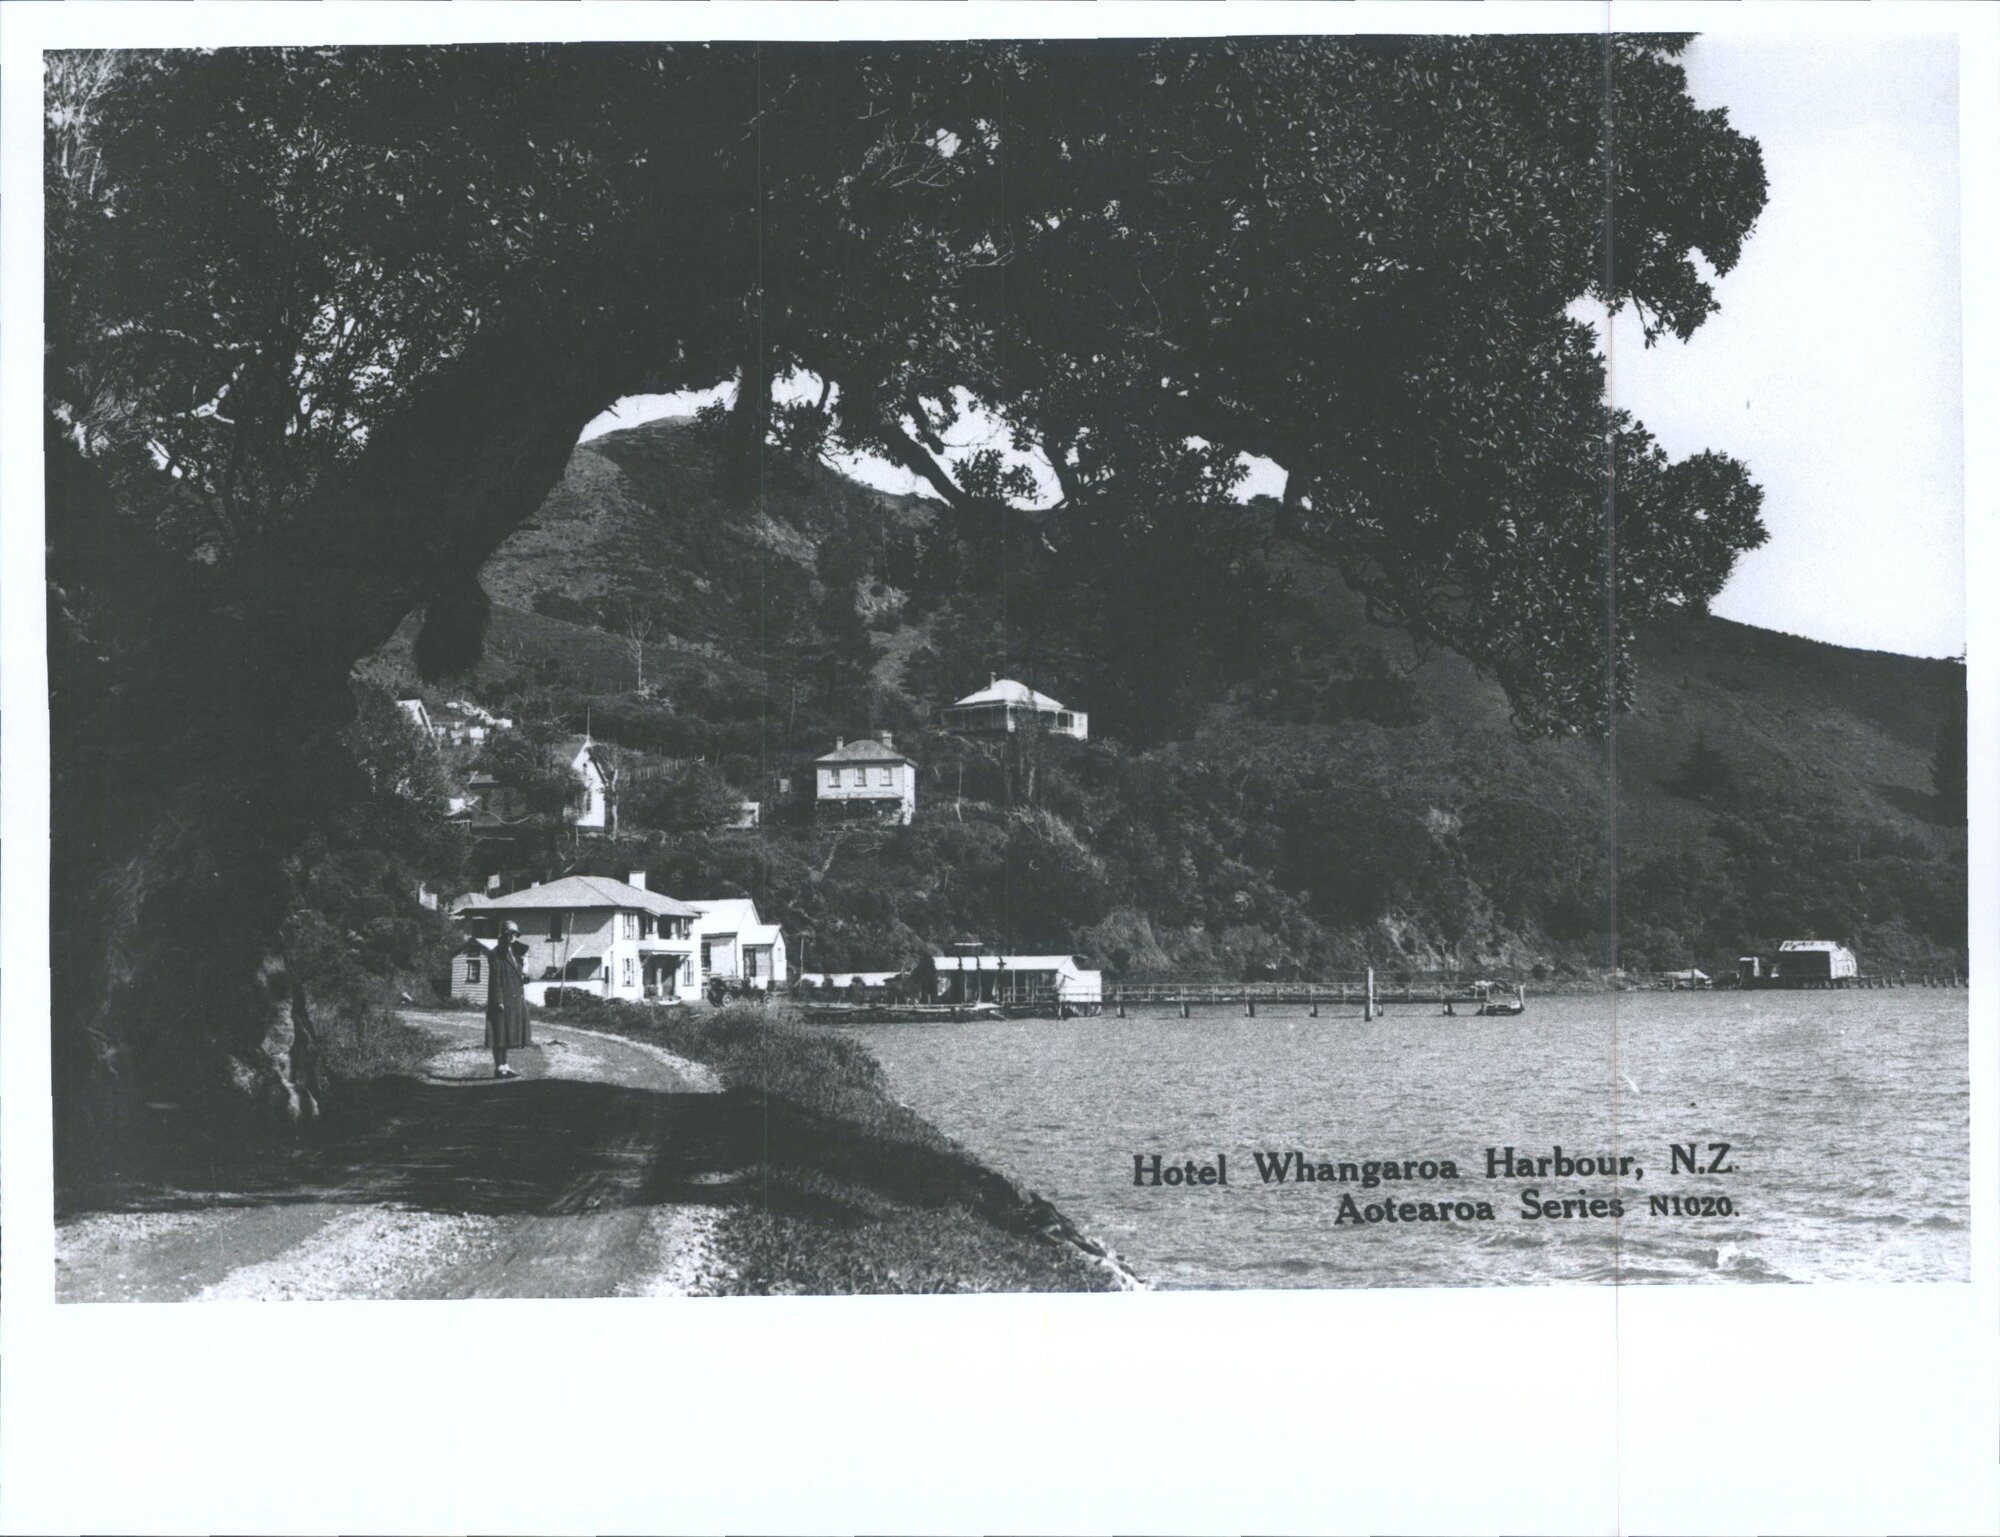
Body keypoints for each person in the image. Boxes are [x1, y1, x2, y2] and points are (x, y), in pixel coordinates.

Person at [486, 919, 531, 1079]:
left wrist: (524, 976)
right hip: (502, 1000)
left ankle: (505, 1065)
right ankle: (499, 1066)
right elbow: (495, 980)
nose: (512, 937)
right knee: (498, 1034)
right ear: (503, 935)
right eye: (510, 934)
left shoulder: (515, 953)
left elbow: (517, 974)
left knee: (506, 1034)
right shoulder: (496, 954)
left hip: (514, 999)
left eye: (515, 934)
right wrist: (498, 1000)